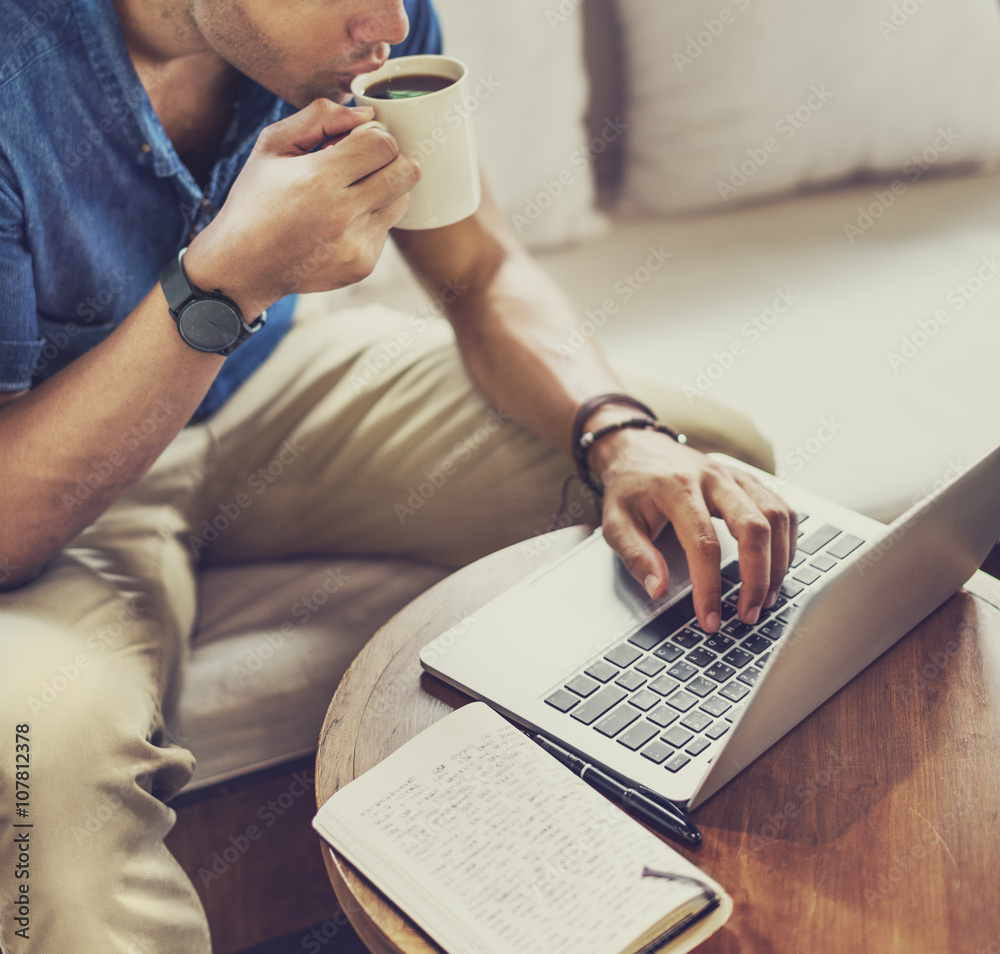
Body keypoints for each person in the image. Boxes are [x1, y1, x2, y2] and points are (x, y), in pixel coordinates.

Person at [0, 0, 796, 949]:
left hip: (268, 381)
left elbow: (479, 268)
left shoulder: (370, 25)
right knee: (36, 770)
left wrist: (620, 436)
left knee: (708, 475)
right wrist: (227, 283)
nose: (392, 17)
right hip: (54, 466)